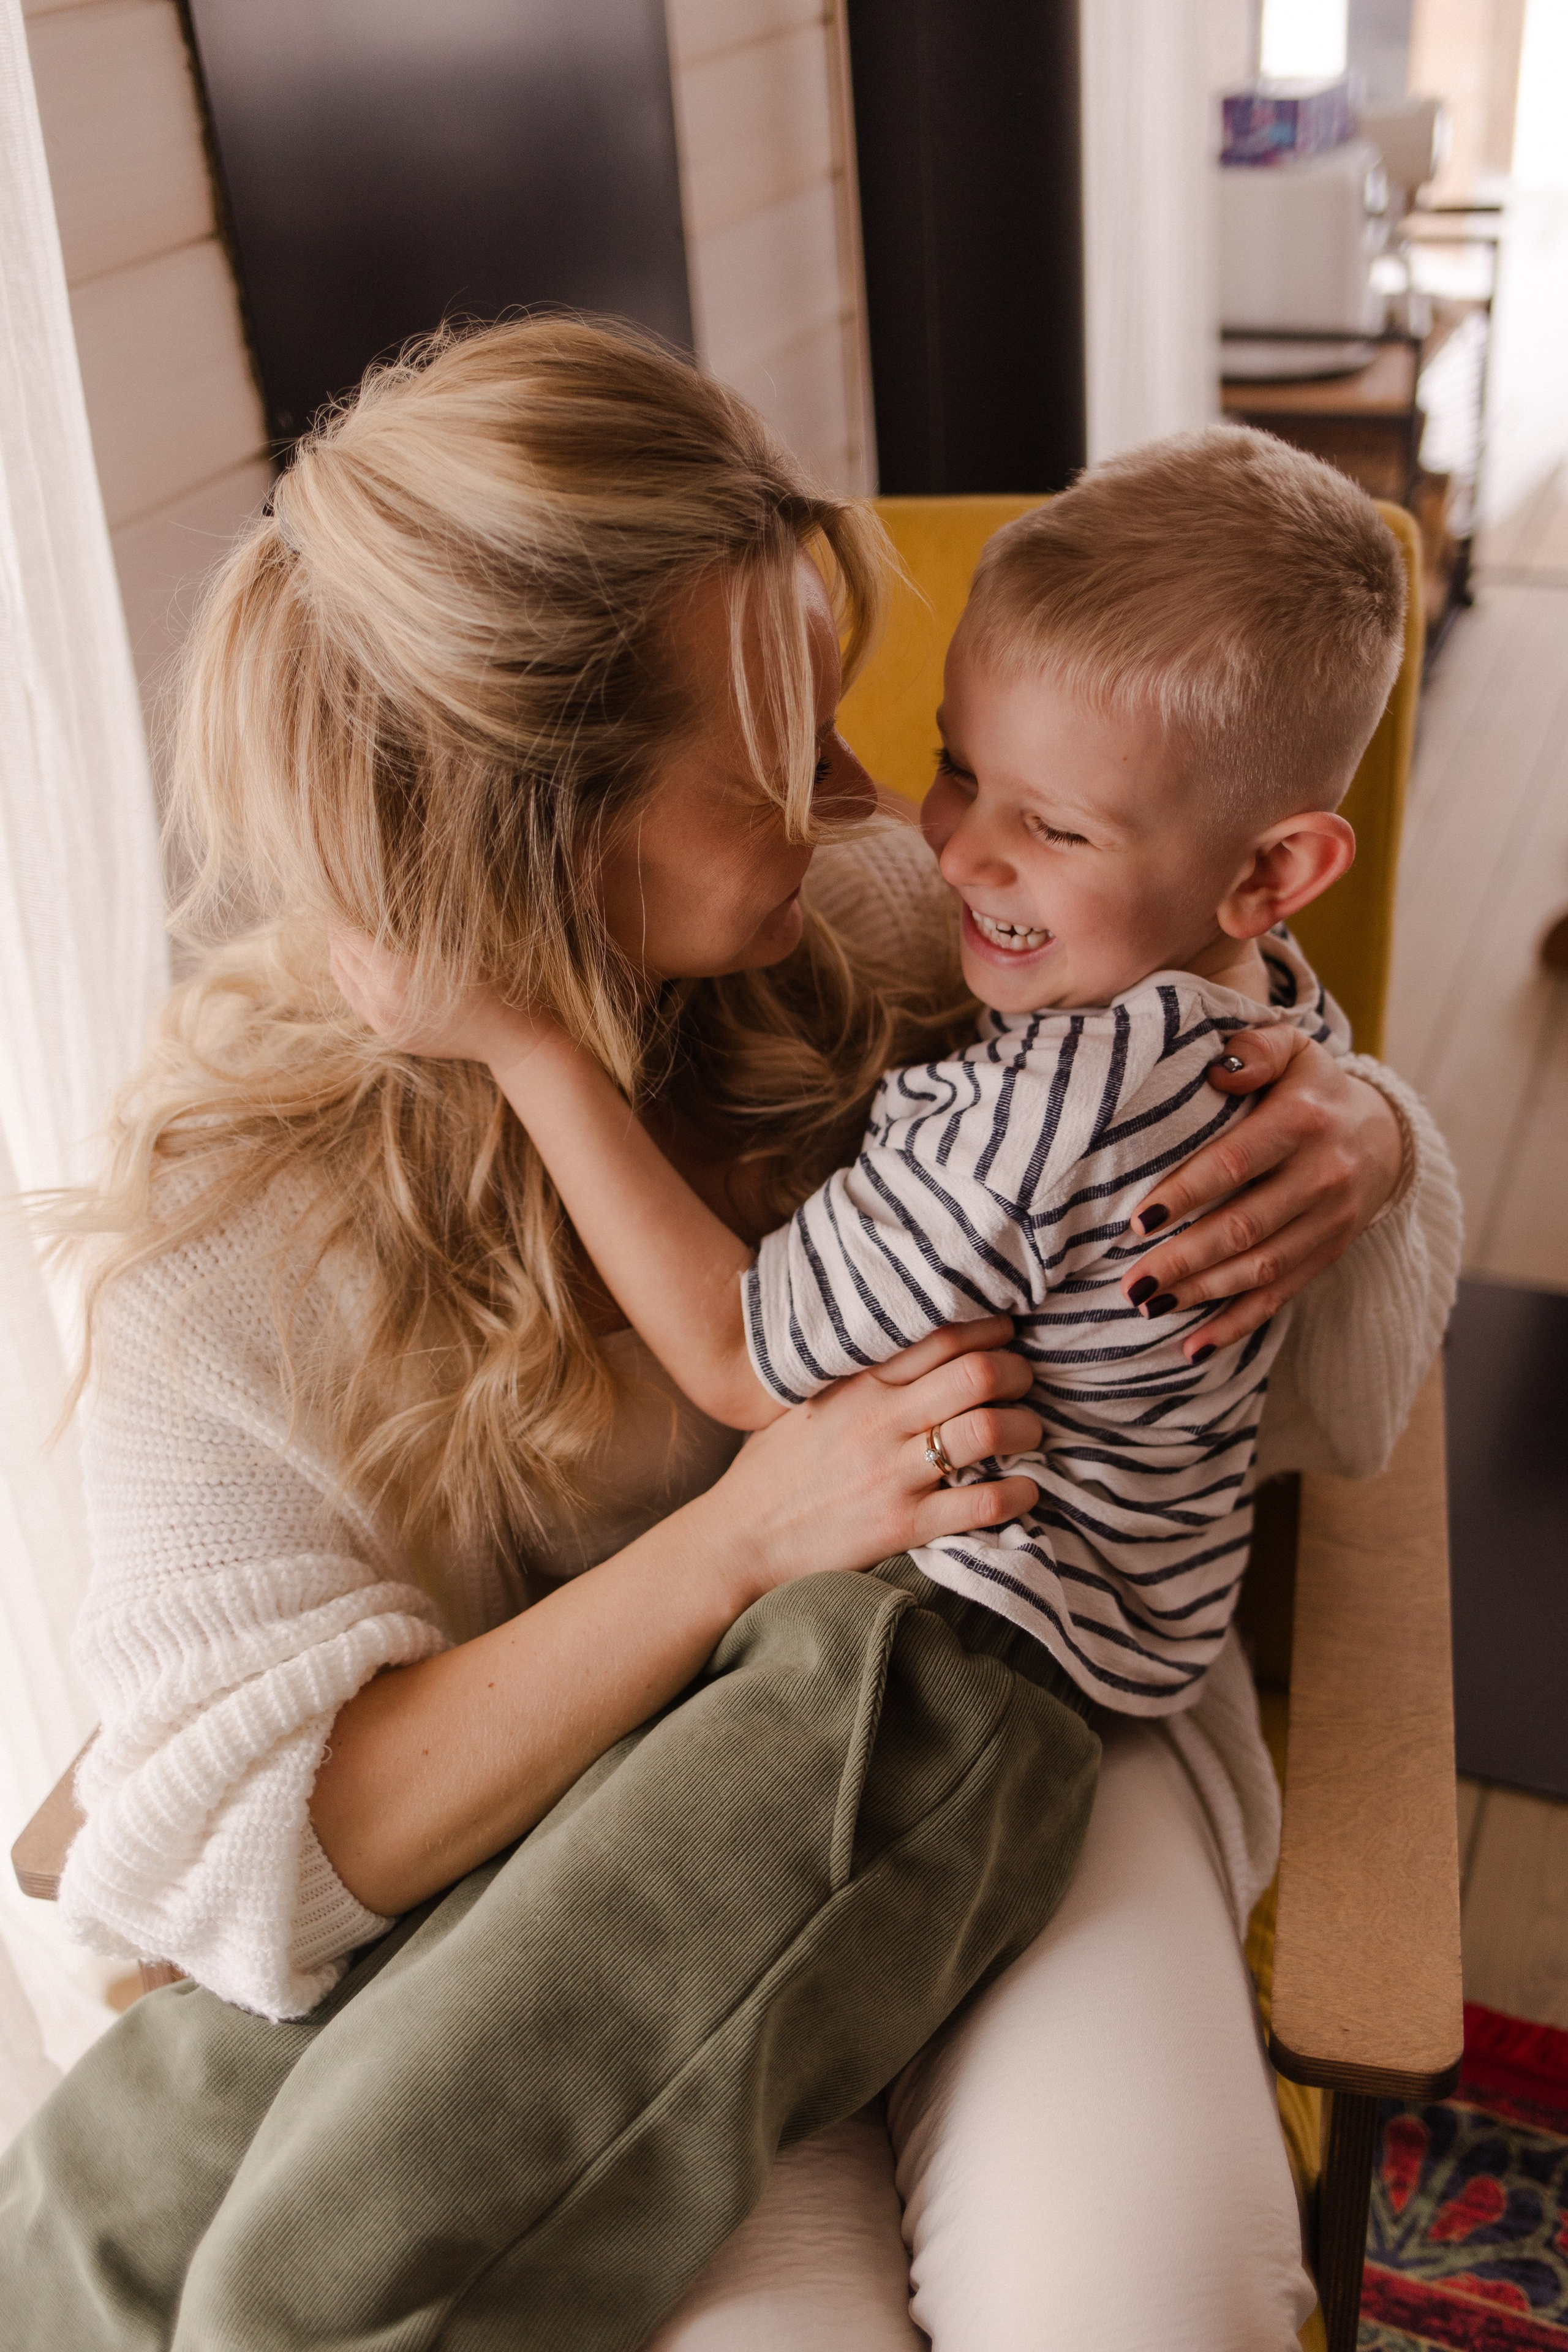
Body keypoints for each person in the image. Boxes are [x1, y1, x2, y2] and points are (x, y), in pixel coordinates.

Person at [0, 322, 1460, 2351]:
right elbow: (247, 1863)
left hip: (1023, 1700)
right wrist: (743, 1540)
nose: (881, 801)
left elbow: (1315, 1379)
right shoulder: (235, 1232)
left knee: (1148, 2304)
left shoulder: (891, 916)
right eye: (785, 753)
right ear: (546, 824)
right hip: (582, 1875)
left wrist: (1373, 1132)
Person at [332, 428, 1399, 1720]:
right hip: (1134, 1613)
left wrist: (528, 1047)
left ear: (1272, 875)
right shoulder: (1254, 985)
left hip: (986, 1640)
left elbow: (736, 1352)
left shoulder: (1048, 1097)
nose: (944, 846)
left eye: (1050, 826)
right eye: (957, 767)